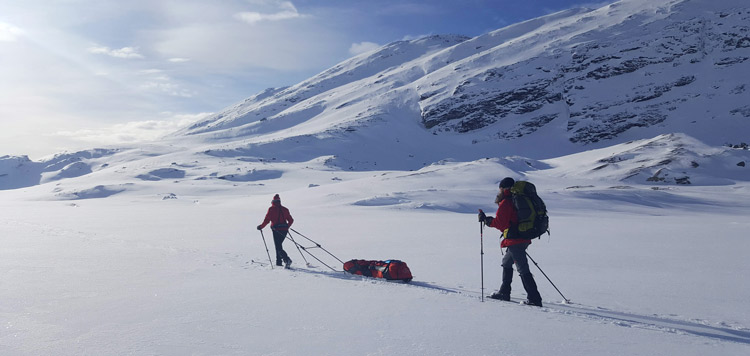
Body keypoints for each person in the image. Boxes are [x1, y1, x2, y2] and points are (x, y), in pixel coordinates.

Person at [479, 177, 543, 307]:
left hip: (515, 240)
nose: (499, 191)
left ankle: (535, 299)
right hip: (521, 238)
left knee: (522, 268)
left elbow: (501, 223)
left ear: (503, 188)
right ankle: (504, 292)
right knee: (506, 263)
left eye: (500, 188)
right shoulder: (516, 199)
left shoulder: (507, 202)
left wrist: (487, 220)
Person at [257, 194, 294, 268]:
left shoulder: (271, 209)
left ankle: (287, 260)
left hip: (276, 230)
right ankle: (279, 262)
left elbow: (267, 220)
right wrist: (287, 226)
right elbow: (291, 220)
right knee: (279, 245)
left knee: (278, 246)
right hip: (284, 230)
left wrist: (261, 227)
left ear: (273, 201)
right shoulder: (285, 209)